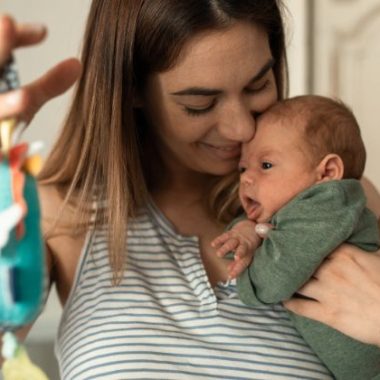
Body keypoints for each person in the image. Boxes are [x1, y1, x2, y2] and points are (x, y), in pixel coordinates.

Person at [0, 1, 380, 378]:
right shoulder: (54, 214)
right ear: (131, 89)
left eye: (258, 84)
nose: (241, 129)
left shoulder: (334, 199)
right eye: (200, 103)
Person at [211, 95, 380, 379]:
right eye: (243, 168)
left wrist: (251, 278)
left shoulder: (329, 202)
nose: (246, 178)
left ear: (327, 172)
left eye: (266, 165)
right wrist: (246, 231)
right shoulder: (293, 213)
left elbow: (273, 281)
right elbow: (268, 228)